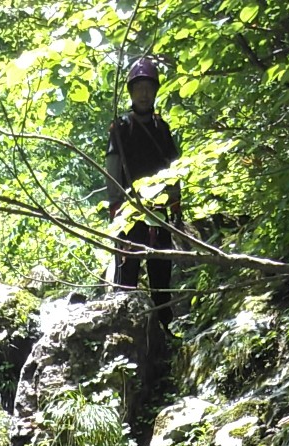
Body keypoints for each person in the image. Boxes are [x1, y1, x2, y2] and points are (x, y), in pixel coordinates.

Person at [107, 57, 181, 330]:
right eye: (138, 88)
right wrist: (115, 204)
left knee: (161, 272)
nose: (144, 93)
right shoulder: (121, 128)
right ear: (131, 91)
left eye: (148, 87)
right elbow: (112, 167)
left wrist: (176, 205)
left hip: (159, 211)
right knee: (128, 271)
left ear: (155, 91)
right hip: (129, 211)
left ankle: (164, 328)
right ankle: (125, 332)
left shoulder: (162, 128)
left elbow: (173, 168)